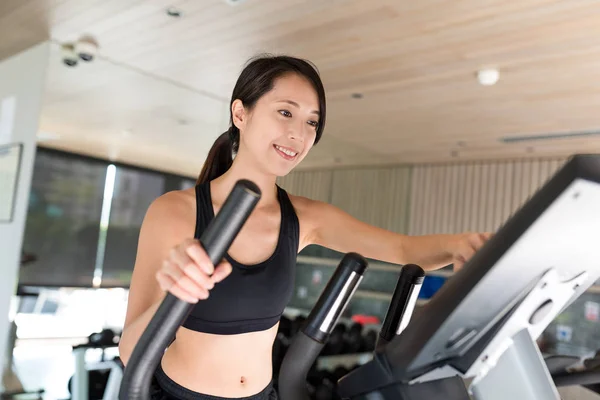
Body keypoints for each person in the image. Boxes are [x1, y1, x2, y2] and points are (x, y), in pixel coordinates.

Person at [118, 55, 491, 400]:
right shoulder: (175, 212)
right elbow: (130, 350)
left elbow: (403, 251)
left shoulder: (303, 217)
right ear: (240, 113)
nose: (299, 134)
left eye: (311, 121)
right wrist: (173, 299)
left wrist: (463, 244)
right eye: (285, 112)